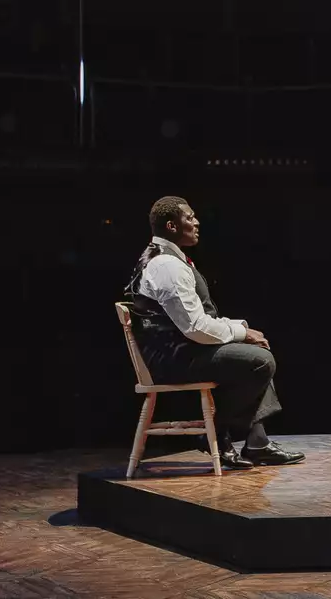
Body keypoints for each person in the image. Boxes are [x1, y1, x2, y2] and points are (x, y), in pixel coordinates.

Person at [121, 196, 305, 470]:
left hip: (179, 350)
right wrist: (242, 333)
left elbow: (198, 320)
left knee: (257, 352)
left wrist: (242, 328)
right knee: (259, 361)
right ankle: (215, 433)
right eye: (189, 218)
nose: (196, 222)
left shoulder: (168, 259)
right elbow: (195, 328)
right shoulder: (166, 266)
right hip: (172, 359)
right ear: (171, 226)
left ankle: (257, 443)